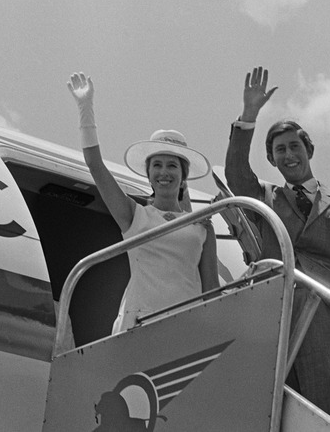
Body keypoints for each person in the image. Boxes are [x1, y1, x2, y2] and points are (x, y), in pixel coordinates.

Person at [224, 66, 330, 424]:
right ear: (271, 159)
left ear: (309, 150)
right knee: (271, 409)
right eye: (279, 150)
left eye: (294, 146)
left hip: (325, 311)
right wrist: (249, 115)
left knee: (322, 405)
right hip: (273, 308)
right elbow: (234, 173)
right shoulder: (263, 195)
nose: (289, 155)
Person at [67, 71, 219, 334]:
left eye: (172, 166)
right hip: (138, 328)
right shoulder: (134, 215)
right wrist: (86, 109)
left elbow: (212, 291)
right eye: (157, 165)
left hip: (186, 329)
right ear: (148, 174)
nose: (164, 172)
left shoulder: (202, 227)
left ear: (183, 177)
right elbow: (95, 165)